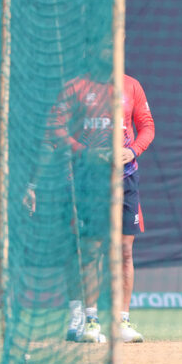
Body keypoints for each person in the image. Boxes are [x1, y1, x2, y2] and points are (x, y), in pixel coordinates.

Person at [25, 69, 155, 344]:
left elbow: (147, 126)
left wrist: (133, 150)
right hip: (85, 179)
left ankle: (121, 321)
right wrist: (83, 153)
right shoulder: (76, 87)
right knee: (87, 250)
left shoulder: (131, 85)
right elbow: (54, 130)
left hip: (125, 178)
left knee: (124, 251)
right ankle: (88, 318)